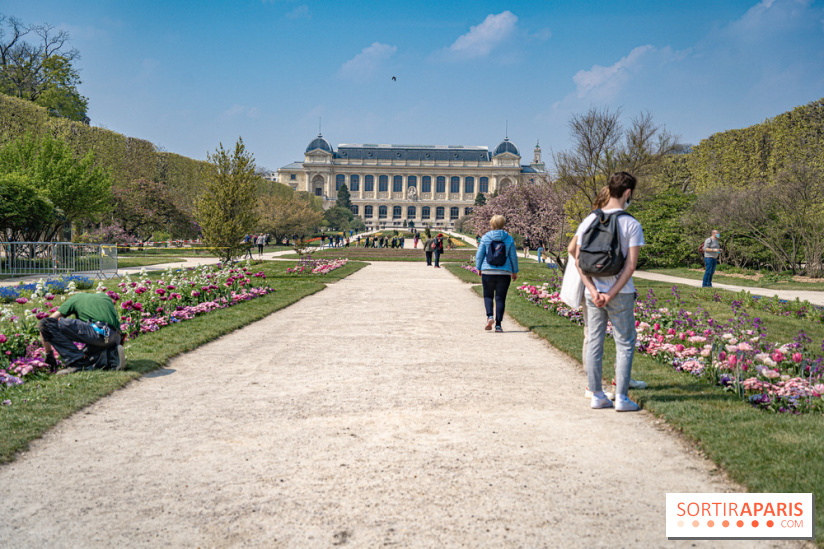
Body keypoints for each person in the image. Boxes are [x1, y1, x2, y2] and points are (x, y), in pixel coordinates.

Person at [568, 186, 646, 401]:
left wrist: (593, 281)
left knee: (594, 339)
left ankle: (594, 390)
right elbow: (630, 265)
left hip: (593, 288)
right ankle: (619, 390)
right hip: (617, 289)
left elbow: (574, 253)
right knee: (624, 341)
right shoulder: (627, 222)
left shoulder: (590, 221)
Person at [39, 292, 125, 374]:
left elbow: (47, 322)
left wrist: (48, 353)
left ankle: (76, 363)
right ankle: (112, 355)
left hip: (98, 332)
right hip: (115, 336)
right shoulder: (105, 298)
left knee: (46, 324)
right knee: (89, 354)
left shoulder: (75, 299)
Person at [475, 215, 519, 333]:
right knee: (500, 298)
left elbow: (479, 255)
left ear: (491, 224)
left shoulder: (485, 237)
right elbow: (513, 257)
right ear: (503, 224)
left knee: (488, 295)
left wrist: (478, 268)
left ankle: (490, 316)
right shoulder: (508, 238)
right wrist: (514, 271)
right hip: (504, 272)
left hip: (488, 270)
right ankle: (498, 325)